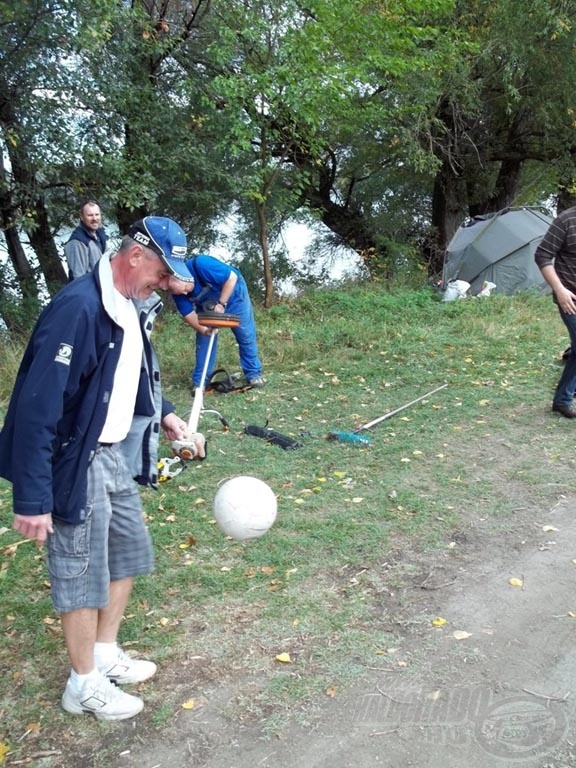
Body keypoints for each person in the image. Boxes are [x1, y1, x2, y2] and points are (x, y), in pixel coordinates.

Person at [0, 216, 204, 721]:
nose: (166, 281)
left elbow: (133, 372)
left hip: (113, 452)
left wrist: (167, 412)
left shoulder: (129, 306)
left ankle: (105, 653)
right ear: (135, 255)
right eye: (162, 271)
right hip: (77, 458)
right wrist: (32, 497)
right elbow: (37, 405)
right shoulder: (78, 308)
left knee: (129, 552)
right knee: (81, 570)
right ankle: (83, 684)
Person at [171, 254, 264, 389]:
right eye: (181, 293)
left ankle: (253, 374)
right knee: (204, 340)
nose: (184, 294)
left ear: (184, 277)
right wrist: (205, 330)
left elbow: (232, 278)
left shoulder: (201, 264)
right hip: (207, 305)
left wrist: (221, 304)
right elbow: (188, 314)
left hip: (234, 296)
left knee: (245, 334)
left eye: (185, 289)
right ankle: (200, 382)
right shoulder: (177, 291)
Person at [535, 205, 576, 418]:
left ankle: (562, 399)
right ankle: (563, 399)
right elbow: (542, 256)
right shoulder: (566, 220)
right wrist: (559, 290)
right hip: (570, 298)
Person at [64, 200, 109, 280]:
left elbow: (107, 258)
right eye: (90, 215)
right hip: (88, 290)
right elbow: (78, 278)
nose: (94, 218)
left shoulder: (100, 234)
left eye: (97, 214)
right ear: (81, 217)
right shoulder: (77, 242)